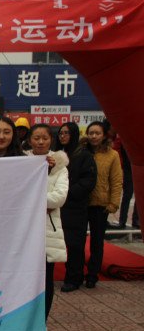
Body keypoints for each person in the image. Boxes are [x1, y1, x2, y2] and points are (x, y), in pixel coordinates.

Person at [25, 124, 69, 320]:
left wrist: (32, 200)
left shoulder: (60, 164)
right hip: (24, 229)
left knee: (45, 279)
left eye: (45, 138)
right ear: (29, 140)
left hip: (46, 230)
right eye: (36, 138)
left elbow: (59, 198)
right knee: (23, 279)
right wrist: (41, 202)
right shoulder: (21, 161)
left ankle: (42, 322)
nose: (41, 142)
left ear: (51, 140)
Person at [54, 122, 97, 293]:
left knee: (74, 245)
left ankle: (74, 277)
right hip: (58, 206)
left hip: (75, 206)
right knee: (57, 242)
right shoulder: (57, 154)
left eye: (66, 133)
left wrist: (66, 192)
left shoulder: (83, 155)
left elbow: (88, 181)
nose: (63, 136)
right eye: (61, 133)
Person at [83, 121, 122, 288]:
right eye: (91, 133)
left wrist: (114, 203)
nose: (93, 136)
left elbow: (116, 180)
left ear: (104, 135)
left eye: (97, 133)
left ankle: (92, 275)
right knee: (77, 241)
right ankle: (76, 272)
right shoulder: (81, 152)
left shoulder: (112, 155)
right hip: (81, 202)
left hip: (101, 204)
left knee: (97, 242)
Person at [109, 134, 139, 229]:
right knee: (127, 195)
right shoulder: (123, 138)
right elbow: (118, 152)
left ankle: (136, 221)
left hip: (138, 167)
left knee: (138, 196)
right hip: (127, 169)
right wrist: (120, 168)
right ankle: (122, 221)